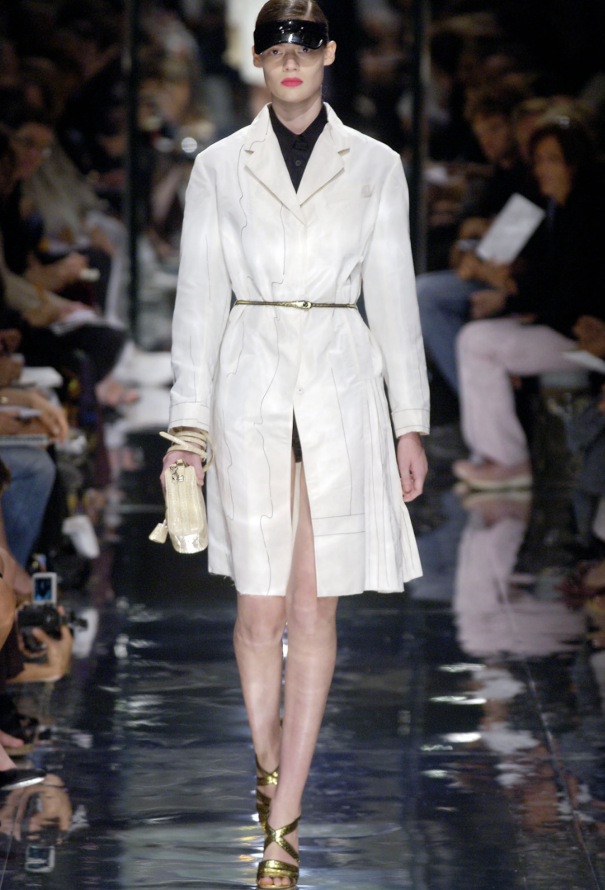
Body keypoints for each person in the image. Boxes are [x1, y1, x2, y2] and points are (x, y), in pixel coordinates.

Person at [161, 2, 429, 886]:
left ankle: (285, 818)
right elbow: (197, 300)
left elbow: (393, 293)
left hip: (342, 384)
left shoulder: (375, 165)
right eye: (274, 48)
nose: (289, 62)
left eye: (303, 49)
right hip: (249, 379)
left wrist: (409, 421)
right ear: (256, 60)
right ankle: (269, 762)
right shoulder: (218, 167)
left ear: (328, 56)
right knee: (258, 614)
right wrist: (187, 429)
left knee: (315, 612)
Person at [453, 115, 605, 489]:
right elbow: (485, 259)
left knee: (475, 337)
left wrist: (510, 291)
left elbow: (570, 290)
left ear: (574, 162)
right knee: (468, 328)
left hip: (581, 334)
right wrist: (505, 290)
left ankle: (506, 459)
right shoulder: (534, 197)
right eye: (537, 158)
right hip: (553, 320)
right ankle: (494, 455)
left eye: (552, 159)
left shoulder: (586, 210)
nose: (540, 168)